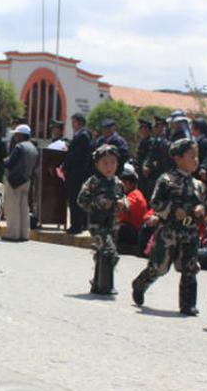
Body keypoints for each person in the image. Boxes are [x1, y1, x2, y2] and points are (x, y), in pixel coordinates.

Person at [131, 137, 206, 315]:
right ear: (178, 158)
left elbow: (202, 204)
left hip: (190, 232)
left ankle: (188, 304)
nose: (195, 160)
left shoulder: (198, 185)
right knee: (159, 267)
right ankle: (140, 283)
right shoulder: (166, 180)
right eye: (191, 156)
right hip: (169, 231)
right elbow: (156, 203)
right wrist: (172, 210)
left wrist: (200, 209)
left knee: (189, 267)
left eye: (197, 156)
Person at [77, 145, 128, 294]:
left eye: (113, 162)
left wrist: (122, 203)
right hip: (97, 223)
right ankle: (106, 286)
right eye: (105, 163)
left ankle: (97, 283)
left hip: (112, 223)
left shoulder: (118, 183)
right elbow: (81, 200)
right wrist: (99, 202)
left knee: (102, 253)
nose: (109, 166)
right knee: (110, 251)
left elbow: (124, 198)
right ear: (97, 164)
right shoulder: (93, 182)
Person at [3, 124, 38, 241]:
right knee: (24, 208)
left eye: (17, 134)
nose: (15, 136)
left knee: (13, 208)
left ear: (21, 135)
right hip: (27, 180)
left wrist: (4, 160)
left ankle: (13, 234)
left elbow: (10, 163)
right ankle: (24, 234)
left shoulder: (19, 147)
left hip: (14, 180)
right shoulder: (33, 148)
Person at [63, 113, 92, 234]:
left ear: (79, 122)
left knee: (75, 200)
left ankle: (77, 226)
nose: (72, 124)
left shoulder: (83, 136)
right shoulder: (80, 135)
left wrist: (66, 165)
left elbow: (77, 156)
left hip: (77, 174)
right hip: (76, 173)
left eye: (73, 122)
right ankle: (81, 224)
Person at [117, 164, 149, 255]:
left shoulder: (135, 195)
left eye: (124, 183)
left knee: (118, 227)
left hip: (134, 231)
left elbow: (123, 208)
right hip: (132, 229)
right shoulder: (133, 194)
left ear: (131, 184)